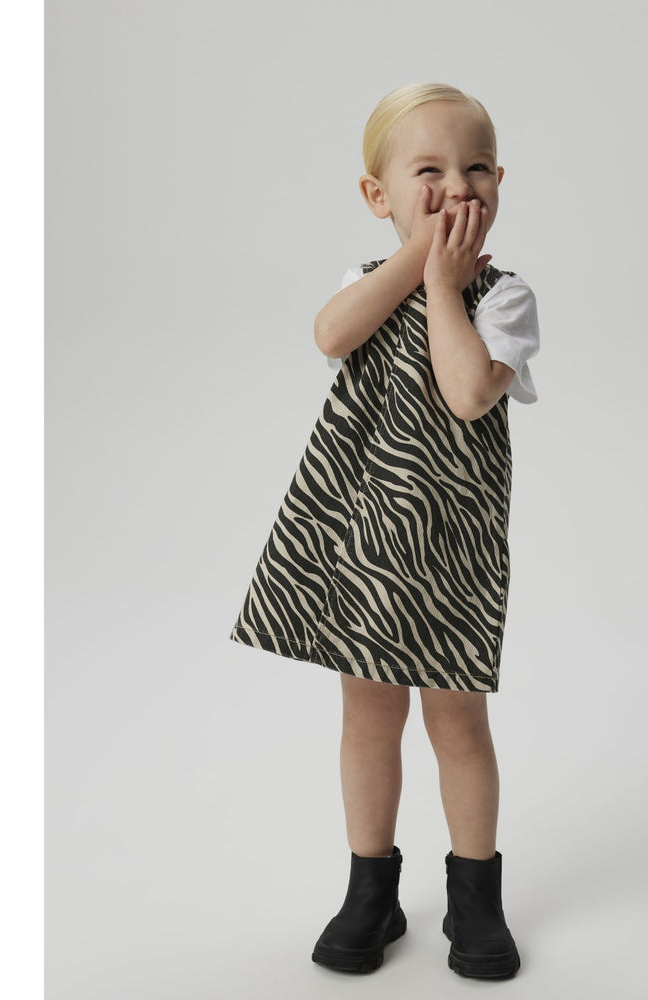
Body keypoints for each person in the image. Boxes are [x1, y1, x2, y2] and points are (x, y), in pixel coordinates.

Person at [229, 82, 540, 979]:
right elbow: (332, 336)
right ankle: (371, 890)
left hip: (449, 548)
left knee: (457, 719)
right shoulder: (364, 283)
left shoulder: (503, 297)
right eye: (428, 170)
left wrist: (444, 284)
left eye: (477, 168)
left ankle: (476, 896)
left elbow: (467, 393)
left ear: (500, 183)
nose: (457, 186)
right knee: (368, 713)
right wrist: (416, 262)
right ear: (379, 195)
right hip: (364, 540)